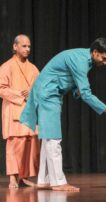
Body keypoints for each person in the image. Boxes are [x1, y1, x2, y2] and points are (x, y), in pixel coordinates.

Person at [20, 37, 106, 191]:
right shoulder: (81, 60)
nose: (105, 62)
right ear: (95, 52)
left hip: (50, 92)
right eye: (104, 58)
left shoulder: (86, 59)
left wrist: (79, 91)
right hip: (48, 93)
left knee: (48, 137)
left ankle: (45, 179)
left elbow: (77, 85)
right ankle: (58, 182)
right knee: (54, 137)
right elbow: (85, 93)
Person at [0, 34, 40, 188]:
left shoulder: (33, 68)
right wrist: (20, 94)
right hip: (14, 110)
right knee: (15, 144)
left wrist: (32, 92)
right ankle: (12, 178)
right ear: (15, 47)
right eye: (24, 46)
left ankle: (23, 177)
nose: (27, 49)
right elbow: (1, 88)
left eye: (29, 46)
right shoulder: (6, 66)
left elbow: (40, 87)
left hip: (30, 112)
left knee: (30, 145)